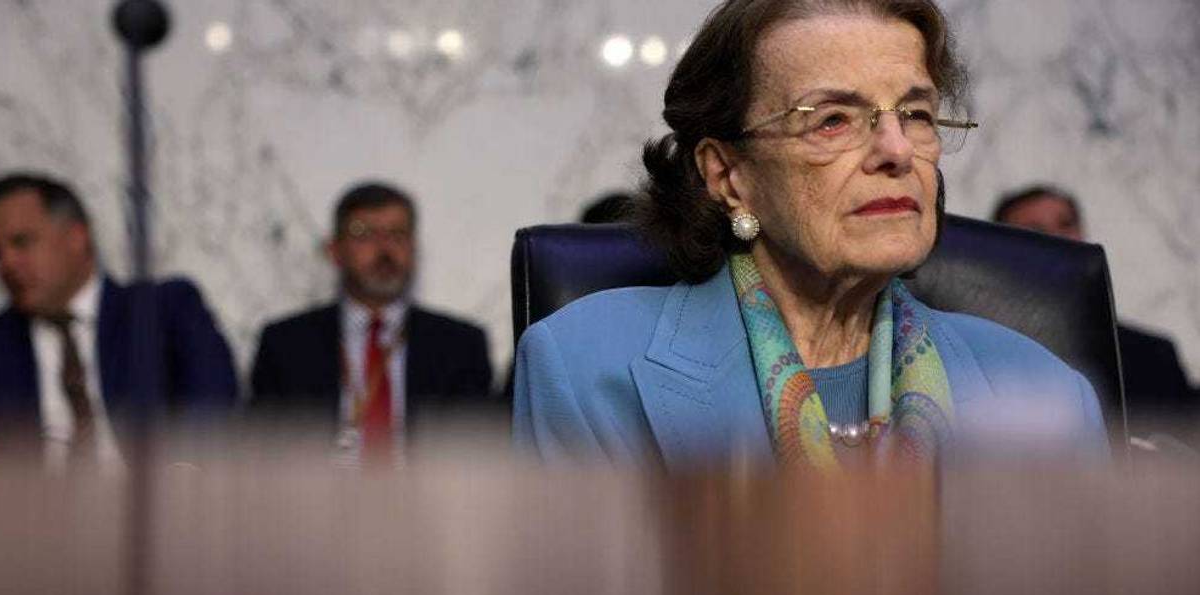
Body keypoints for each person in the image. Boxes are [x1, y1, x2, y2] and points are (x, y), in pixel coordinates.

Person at [513, 0, 1107, 469]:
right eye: (832, 120)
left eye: (917, 115)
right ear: (728, 175)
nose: (897, 151)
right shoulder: (585, 368)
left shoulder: (1050, 395)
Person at [0, 172, 238, 468]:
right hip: (33, 510)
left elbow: (213, 406)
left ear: (77, 237)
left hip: (156, 502)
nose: (7, 264)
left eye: (21, 243)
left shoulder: (164, 310)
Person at [250, 182, 492, 458]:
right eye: (364, 234)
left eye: (397, 234)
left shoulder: (461, 346)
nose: (384, 249)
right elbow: (264, 455)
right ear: (335, 251)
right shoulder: (285, 344)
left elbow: (474, 460)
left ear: (414, 249)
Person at [994, 184, 1199, 438]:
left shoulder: (1153, 356)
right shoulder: (976, 353)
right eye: (1035, 230)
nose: (1059, 238)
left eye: (1066, 224)